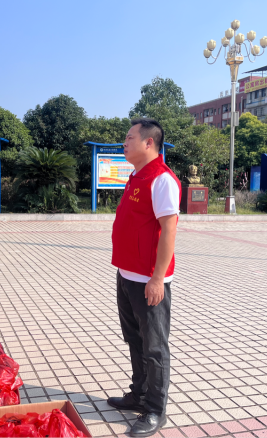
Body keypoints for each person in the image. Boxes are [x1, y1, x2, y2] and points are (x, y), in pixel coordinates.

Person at [107, 118, 180, 437]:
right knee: (134, 339)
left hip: (149, 280)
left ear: (149, 142)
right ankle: (138, 393)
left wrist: (157, 278)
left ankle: (155, 409)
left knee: (155, 347)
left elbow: (169, 230)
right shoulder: (137, 175)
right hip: (127, 274)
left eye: (129, 137)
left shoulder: (162, 180)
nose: (124, 143)